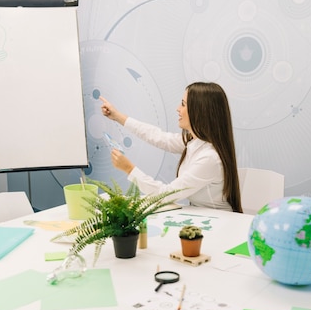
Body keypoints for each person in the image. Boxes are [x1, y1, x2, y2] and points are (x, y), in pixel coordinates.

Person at [100, 82, 242, 213]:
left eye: (183, 104)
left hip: (219, 222)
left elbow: (165, 195)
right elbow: (157, 136)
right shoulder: (194, 142)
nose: (178, 109)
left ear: (199, 111)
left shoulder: (209, 158)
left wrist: (129, 169)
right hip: (201, 216)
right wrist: (118, 117)